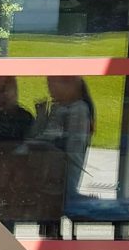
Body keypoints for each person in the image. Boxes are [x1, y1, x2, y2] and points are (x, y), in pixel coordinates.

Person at [32, 75, 95, 207]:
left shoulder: (78, 110)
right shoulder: (60, 108)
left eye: (52, 84)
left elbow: (64, 146)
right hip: (50, 179)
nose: (49, 90)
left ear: (70, 85)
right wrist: (42, 117)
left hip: (62, 181)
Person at [0, 76, 34, 141]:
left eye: (4, 89)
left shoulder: (25, 118)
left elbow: (30, 145)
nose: (1, 95)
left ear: (15, 89)